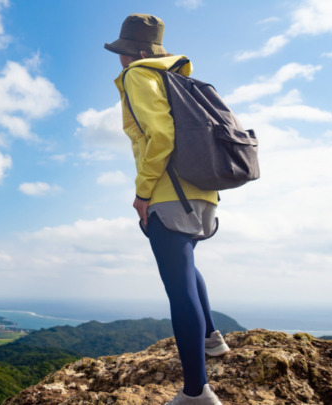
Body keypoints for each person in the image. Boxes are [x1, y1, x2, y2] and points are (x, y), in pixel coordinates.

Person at [104, 14, 231, 405]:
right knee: (187, 265)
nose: (121, 61)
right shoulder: (178, 77)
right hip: (204, 192)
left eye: (123, 53)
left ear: (136, 52)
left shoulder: (138, 76)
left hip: (167, 192)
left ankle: (196, 392)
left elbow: (160, 135)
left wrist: (143, 193)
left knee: (178, 288)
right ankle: (212, 339)